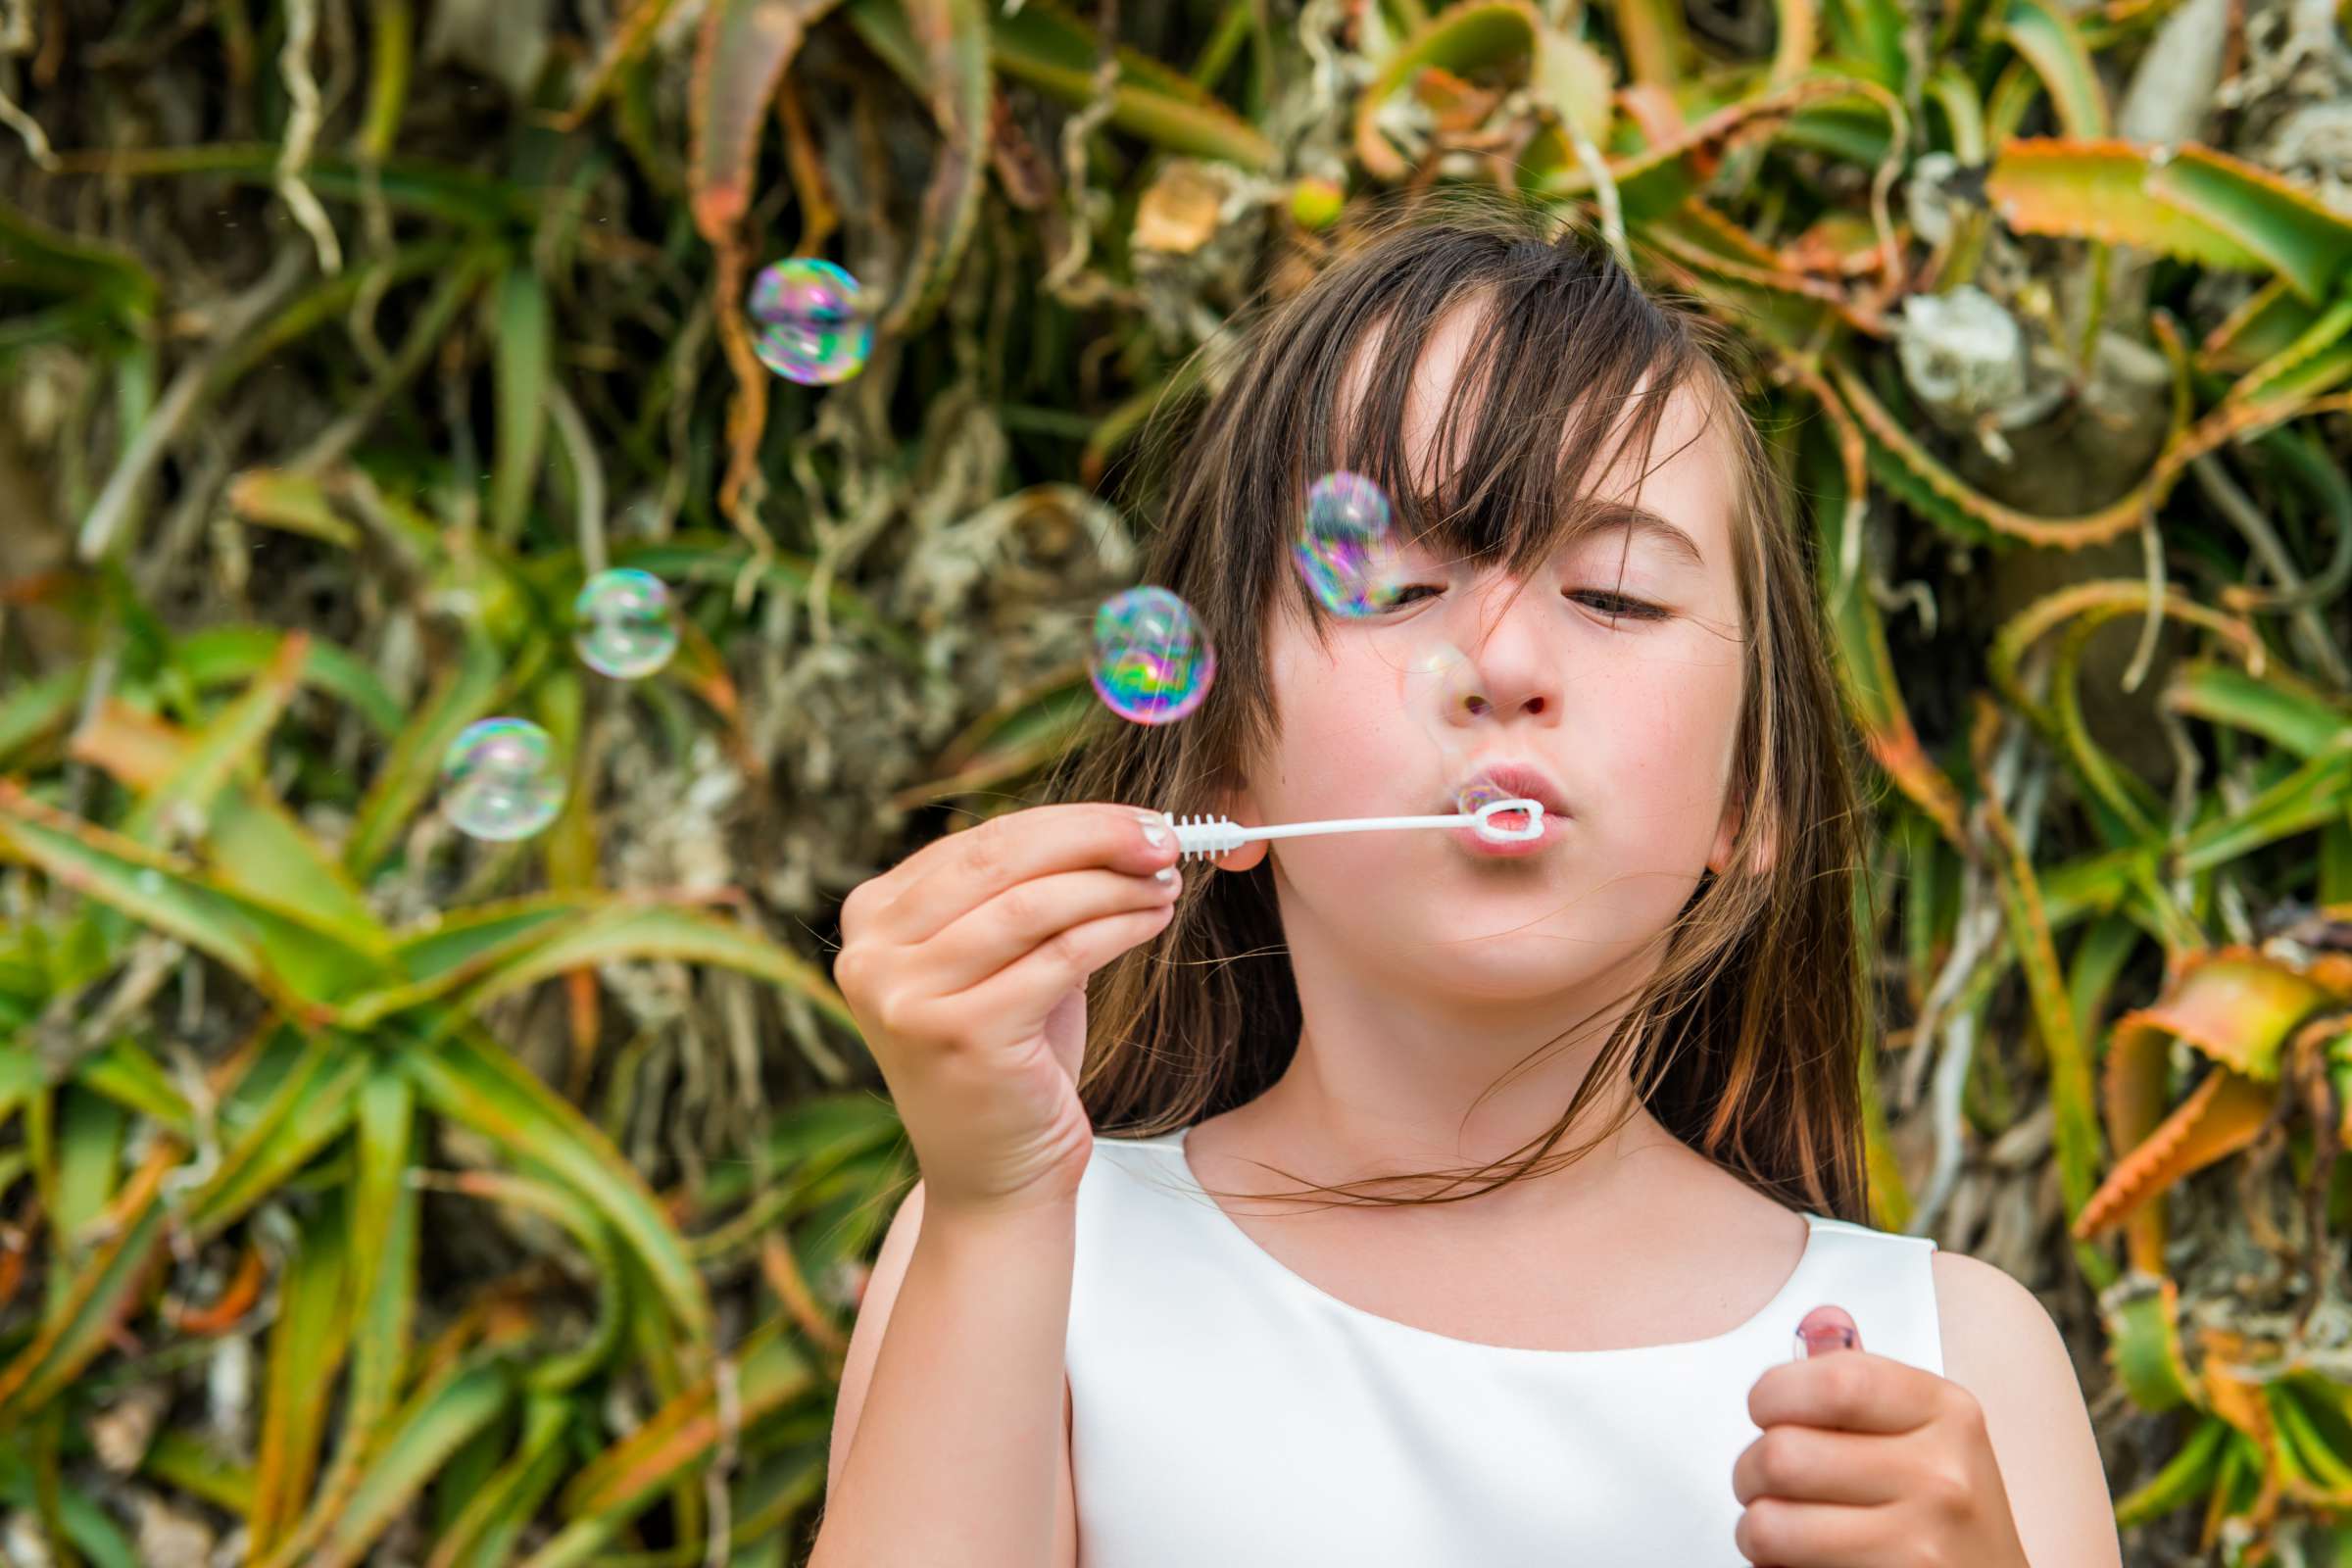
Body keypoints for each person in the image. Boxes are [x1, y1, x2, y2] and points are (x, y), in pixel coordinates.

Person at [808, 190, 2123, 1567]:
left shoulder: (1951, 1363)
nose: (1502, 665)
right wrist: (993, 1199)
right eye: (1389, 586)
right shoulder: (1035, 1250)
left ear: (1754, 792)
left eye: (1613, 595)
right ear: (1218, 763)